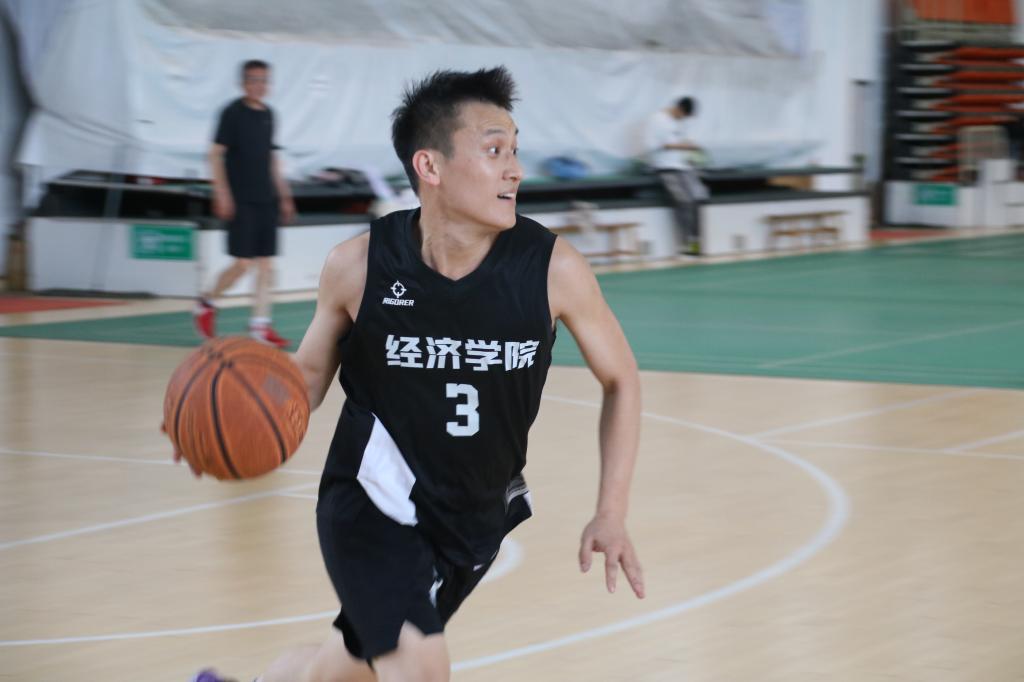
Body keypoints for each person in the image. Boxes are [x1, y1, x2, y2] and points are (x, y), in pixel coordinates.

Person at [185, 66, 644, 682]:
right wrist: (232, 419)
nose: (514, 170)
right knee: (420, 667)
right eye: (494, 151)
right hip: (372, 501)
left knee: (347, 671)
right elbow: (305, 381)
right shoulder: (358, 267)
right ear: (430, 166)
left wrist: (611, 511)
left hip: (472, 518)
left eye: (515, 150)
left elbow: (622, 380)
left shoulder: (551, 270)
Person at [194, 59, 296, 348]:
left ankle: (260, 325)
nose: (258, 85)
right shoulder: (232, 113)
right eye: (252, 80)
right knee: (242, 263)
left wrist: (284, 195)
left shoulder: (269, 115)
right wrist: (222, 193)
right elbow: (215, 154)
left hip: (266, 199)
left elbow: (271, 158)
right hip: (241, 200)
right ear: (242, 83)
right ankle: (206, 302)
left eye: (263, 80)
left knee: (265, 265)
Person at [644, 95, 709, 254]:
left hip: (684, 167)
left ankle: (695, 243)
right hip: (665, 168)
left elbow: (683, 142)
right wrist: (683, 147)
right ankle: (684, 245)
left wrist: (690, 149)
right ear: (679, 109)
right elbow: (654, 145)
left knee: (698, 198)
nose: (684, 119)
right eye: (684, 115)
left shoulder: (679, 123)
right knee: (683, 201)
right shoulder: (657, 120)